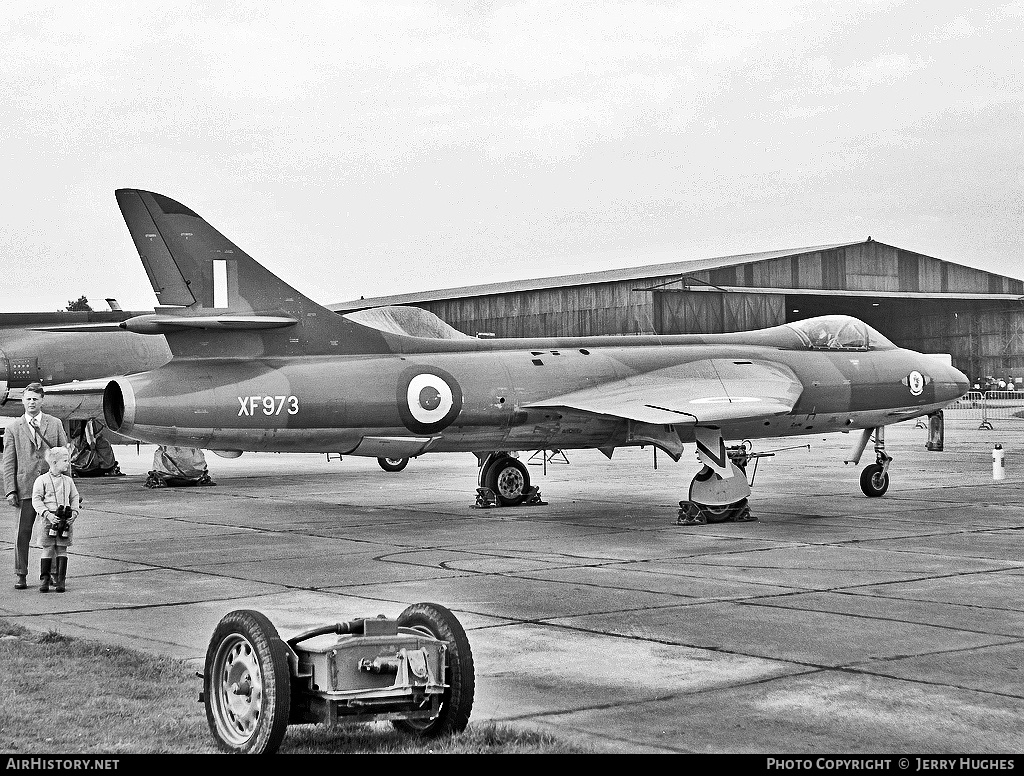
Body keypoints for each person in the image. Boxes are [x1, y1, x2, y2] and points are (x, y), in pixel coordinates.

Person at [3, 383, 68, 590]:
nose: (32, 402)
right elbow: (9, 462)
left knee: (54, 532)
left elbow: (64, 457)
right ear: (23, 400)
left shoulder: (55, 424)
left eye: (35, 399)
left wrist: (67, 486)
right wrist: (10, 490)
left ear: (42, 401)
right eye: (28, 399)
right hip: (25, 488)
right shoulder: (13, 428)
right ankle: (21, 573)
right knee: (22, 532)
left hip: (53, 489)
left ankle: (55, 575)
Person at [32, 446, 80, 593]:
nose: (68, 464)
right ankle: (45, 579)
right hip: (48, 519)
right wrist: (47, 514)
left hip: (64, 518)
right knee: (47, 548)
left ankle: (61, 579)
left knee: (61, 548)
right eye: (65, 461)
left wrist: (74, 512)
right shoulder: (42, 480)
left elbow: (74, 497)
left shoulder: (68, 481)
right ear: (53, 462)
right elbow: (36, 500)